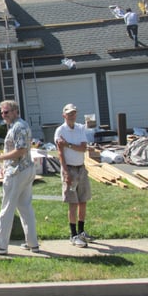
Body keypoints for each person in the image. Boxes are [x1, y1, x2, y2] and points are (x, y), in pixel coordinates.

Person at [0, 100, 39, 255]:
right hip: (25, 170)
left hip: (17, 172)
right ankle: (32, 243)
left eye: (6, 112)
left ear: (16, 111)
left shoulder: (19, 127)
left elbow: (20, 150)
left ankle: (1, 246)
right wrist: (4, 165)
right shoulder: (19, 125)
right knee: (25, 207)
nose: (4, 115)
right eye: (2, 112)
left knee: (6, 209)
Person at [54, 103, 95, 248]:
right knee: (73, 202)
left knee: (83, 200)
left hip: (81, 168)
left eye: (74, 113)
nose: (72, 116)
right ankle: (73, 235)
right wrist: (65, 172)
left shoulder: (79, 128)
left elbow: (83, 148)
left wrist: (68, 145)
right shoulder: (60, 130)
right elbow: (60, 153)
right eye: (69, 113)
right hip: (70, 169)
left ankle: (82, 231)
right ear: (64, 115)